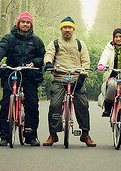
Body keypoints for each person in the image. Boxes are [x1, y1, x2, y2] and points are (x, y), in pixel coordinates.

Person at [0, 12, 45, 147]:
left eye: (28, 22)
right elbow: (0, 51)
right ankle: (5, 136)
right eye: (23, 22)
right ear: (18, 23)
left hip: (29, 75)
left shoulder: (36, 41)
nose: (25, 24)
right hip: (11, 73)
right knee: (5, 103)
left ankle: (31, 135)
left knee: (32, 104)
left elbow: (42, 57)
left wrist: (34, 63)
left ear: (31, 25)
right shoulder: (9, 38)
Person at [42, 16, 96, 147]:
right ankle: (53, 134)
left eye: (70, 27)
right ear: (61, 29)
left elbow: (85, 61)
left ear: (73, 29)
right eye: (65, 27)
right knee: (54, 105)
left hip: (77, 79)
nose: (67, 30)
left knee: (83, 105)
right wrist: (48, 63)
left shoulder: (80, 44)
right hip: (59, 78)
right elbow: (49, 54)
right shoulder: (54, 43)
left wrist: (83, 73)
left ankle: (85, 134)